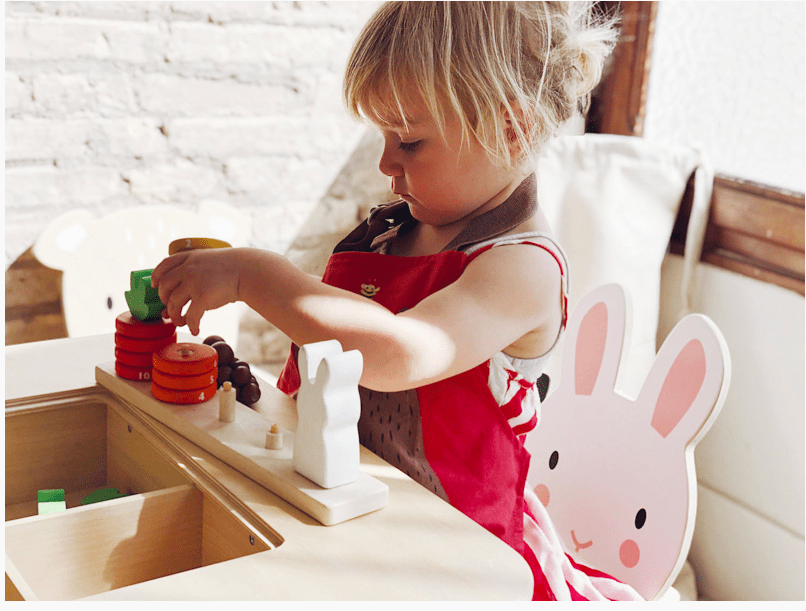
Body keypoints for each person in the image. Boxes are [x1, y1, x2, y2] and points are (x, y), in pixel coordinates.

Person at [152, 1, 641, 600]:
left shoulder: (522, 268)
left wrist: (256, 276)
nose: (385, 164)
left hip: (453, 560)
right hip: (345, 517)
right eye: (383, 137)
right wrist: (255, 394)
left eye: (408, 142)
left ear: (510, 130)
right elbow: (331, 374)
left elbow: (398, 355)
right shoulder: (389, 234)